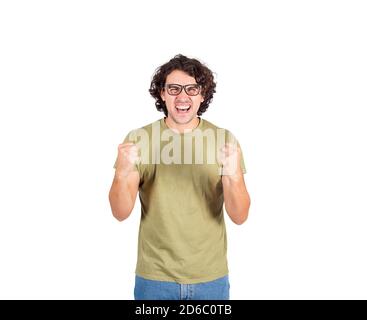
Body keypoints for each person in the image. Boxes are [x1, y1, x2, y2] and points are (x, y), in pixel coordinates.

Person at [109, 54, 251, 300]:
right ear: (162, 94)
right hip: (155, 279)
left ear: (202, 94)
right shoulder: (139, 139)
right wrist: (121, 174)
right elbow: (120, 213)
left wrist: (234, 176)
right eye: (173, 88)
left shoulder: (224, 140)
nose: (182, 96)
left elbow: (239, 216)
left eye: (191, 88)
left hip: (211, 278)